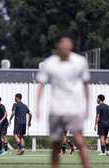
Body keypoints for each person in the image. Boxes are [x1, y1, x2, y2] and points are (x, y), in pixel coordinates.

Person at [36, 33, 91, 168]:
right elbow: (41, 85)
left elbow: (86, 85)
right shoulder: (49, 63)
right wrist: (37, 107)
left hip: (74, 108)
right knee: (56, 145)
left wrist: (87, 108)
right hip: (56, 108)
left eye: (69, 44)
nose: (66, 47)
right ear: (57, 45)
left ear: (71, 45)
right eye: (63, 44)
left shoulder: (80, 62)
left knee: (79, 141)